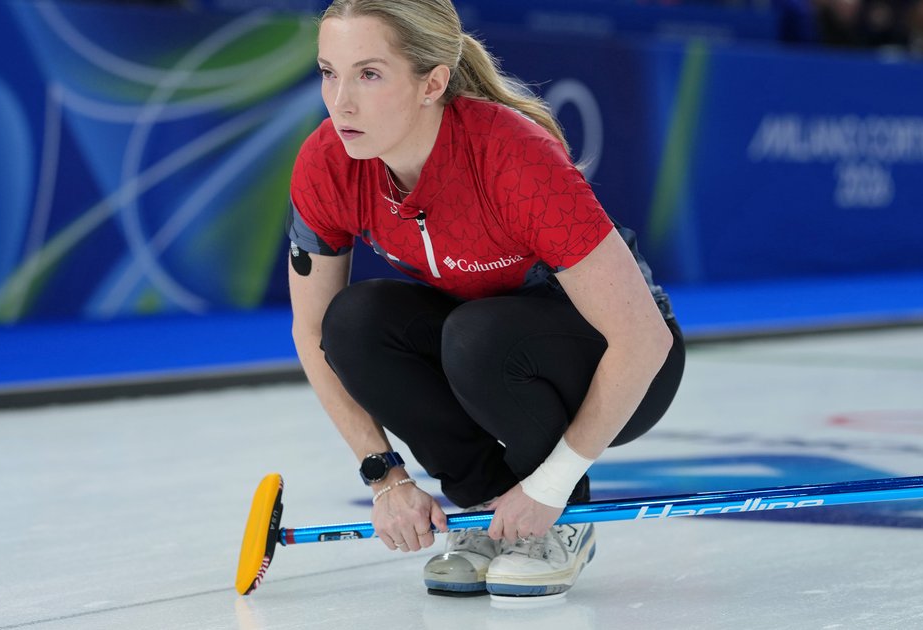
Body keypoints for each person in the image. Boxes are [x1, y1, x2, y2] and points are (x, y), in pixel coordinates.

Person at [285, 0, 686, 600]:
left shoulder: (509, 154)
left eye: (369, 74)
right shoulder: (328, 162)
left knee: (478, 335)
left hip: (628, 366)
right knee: (353, 323)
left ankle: (563, 524)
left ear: (433, 83)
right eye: (328, 72)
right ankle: (486, 514)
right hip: (482, 341)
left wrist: (552, 486)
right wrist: (385, 476)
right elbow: (310, 330)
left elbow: (643, 339)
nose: (340, 101)